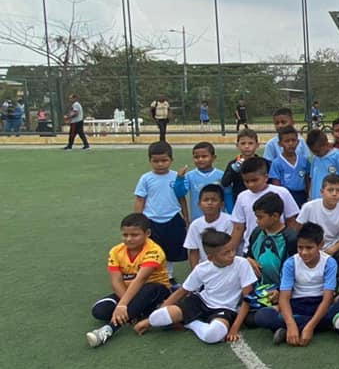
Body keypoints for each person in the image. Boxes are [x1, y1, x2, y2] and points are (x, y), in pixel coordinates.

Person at [134, 229, 256, 344]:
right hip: (199, 302)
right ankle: (185, 319)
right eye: (226, 253)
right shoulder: (201, 269)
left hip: (225, 309)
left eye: (232, 250)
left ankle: (191, 323)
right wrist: (149, 321)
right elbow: (182, 292)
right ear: (210, 258)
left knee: (213, 335)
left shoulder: (242, 264)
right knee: (158, 316)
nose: (232, 255)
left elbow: (248, 298)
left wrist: (234, 328)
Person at [85, 213, 171, 348]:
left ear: (147, 233)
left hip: (155, 290)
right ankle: (139, 312)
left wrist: (123, 305)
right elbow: (116, 280)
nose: (129, 239)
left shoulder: (154, 251)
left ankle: (109, 329)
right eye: (125, 235)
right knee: (99, 310)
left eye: (134, 235)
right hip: (128, 292)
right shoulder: (116, 251)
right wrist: (123, 304)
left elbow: (141, 279)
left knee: (149, 289)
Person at [253, 223, 338, 346]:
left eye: (309, 248)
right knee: (262, 316)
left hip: (320, 305)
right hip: (297, 304)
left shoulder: (329, 263)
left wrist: (310, 327)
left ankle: (296, 327)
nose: (304, 252)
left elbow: (327, 298)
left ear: (320, 245)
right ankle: (314, 326)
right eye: (300, 247)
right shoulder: (291, 263)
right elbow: (284, 297)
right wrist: (291, 324)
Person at [134, 141, 188, 281]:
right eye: (156, 161)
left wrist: (186, 219)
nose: (160, 164)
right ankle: (150, 275)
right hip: (151, 220)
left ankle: (168, 276)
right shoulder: (146, 178)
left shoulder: (176, 177)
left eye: (164, 160)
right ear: (150, 161)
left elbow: (182, 198)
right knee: (151, 249)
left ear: (171, 160)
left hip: (172, 218)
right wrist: (138, 221)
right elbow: (140, 199)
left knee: (170, 249)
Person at [242, 192, 298, 324]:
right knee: (249, 319)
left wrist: (280, 291)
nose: (257, 221)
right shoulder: (256, 233)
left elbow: (297, 270)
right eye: (256, 217)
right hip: (260, 290)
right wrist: (248, 260)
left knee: (258, 318)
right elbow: (249, 255)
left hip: (282, 291)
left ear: (275, 216)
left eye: (260, 217)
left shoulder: (290, 238)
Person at [228, 156, 299, 254]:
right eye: (247, 181)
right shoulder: (242, 197)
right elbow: (238, 227)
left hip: (280, 248)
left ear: (266, 177)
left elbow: (291, 221)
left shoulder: (282, 192)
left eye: (255, 180)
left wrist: (291, 246)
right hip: (251, 249)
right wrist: (230, 251)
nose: (250, 184)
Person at [297, 174, 339, 261]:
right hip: (311, 246)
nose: (334, 194)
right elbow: (298, 230)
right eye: (330, 190)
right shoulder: (309, 207)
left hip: (334, 247)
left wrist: (333, 249)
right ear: (322, 192)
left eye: (338, 190)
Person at [184, 184, 234, 268]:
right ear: (199, 204)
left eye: (214, 200)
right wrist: (195, 271)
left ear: (222, 204)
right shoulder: (195, 225)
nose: (209, 203)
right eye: (206, 200)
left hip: (227, 266)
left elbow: (232, 247)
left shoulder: (230, 221)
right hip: (205, 268)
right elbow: (194, 251)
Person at [175, 141, 227, 219]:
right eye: (196, 157)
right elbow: (180, 193)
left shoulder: (221, 175)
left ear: (213, 158)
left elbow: (227, 196)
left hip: (219, 219)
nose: (200, 159)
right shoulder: (190, 176)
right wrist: (179, 179)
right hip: (197, 218)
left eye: (204, 156)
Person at [269, 125, 310, 206]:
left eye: (293, 140)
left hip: (302, 195)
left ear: (298, 142)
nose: (291, 143)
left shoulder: (304, 160)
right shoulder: (276, 163)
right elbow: (275, 184)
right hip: (285, 196)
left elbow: (307, 179)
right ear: (280, 144)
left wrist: (309, 194)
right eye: (287, 141)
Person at [221, 128, 262, 206]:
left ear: (257, 145)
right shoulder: (233, 164)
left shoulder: (263, 163)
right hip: (240, 202)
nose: (247, 146)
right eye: (243, 143)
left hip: (260, 201)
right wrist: (233, 170)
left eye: (250, 143)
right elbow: (225, 183)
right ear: (237, 145)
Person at [306, 129, 339, 201]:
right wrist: (310, 197)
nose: (315, 153)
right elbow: (312, 179)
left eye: (317, 151)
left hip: (332, 201)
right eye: (313, 151)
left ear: (326, 144)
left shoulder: (337, 156)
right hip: (316, 201)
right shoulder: (315, 158)